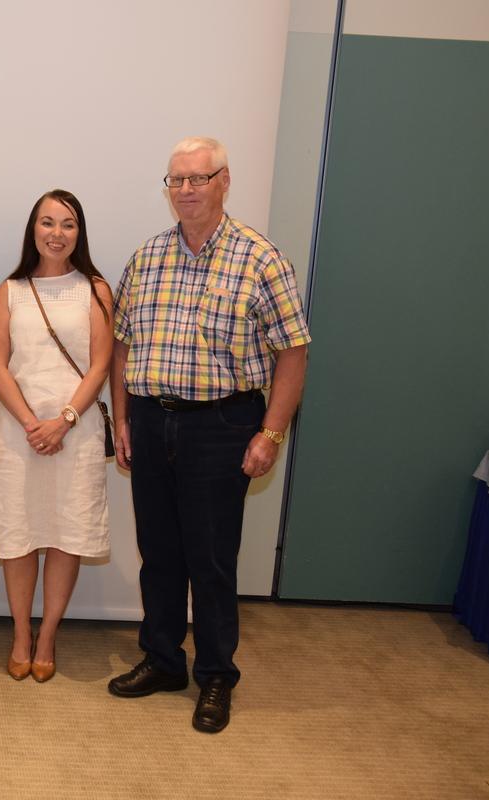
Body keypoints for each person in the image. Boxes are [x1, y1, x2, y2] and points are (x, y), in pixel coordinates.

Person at [107, 137, 310, 732]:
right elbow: (121, 345)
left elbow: (293, 353)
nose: (186, 189)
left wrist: (271, 433)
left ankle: (216, 674)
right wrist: (122, 418)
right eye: (176, 180)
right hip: (151, 419)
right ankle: (163, 659)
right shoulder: (147, 258)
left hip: (222, 425)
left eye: (198, 178)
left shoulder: (261, 260)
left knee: (212, 558)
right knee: (159, 553)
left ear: (224, 181)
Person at [0, 190, 113, 683]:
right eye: (47, 222)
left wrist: (64, 420)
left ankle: (48, 635)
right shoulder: (10, 291)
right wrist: (30, 423)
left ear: (79, 233)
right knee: (19, 535)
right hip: (18, 434)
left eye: (68, 224)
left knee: (66, 535)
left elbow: (101, 364)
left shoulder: (95, 290)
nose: (56, 233)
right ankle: (21, 633)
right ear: (33, 229)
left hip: (75, 434)